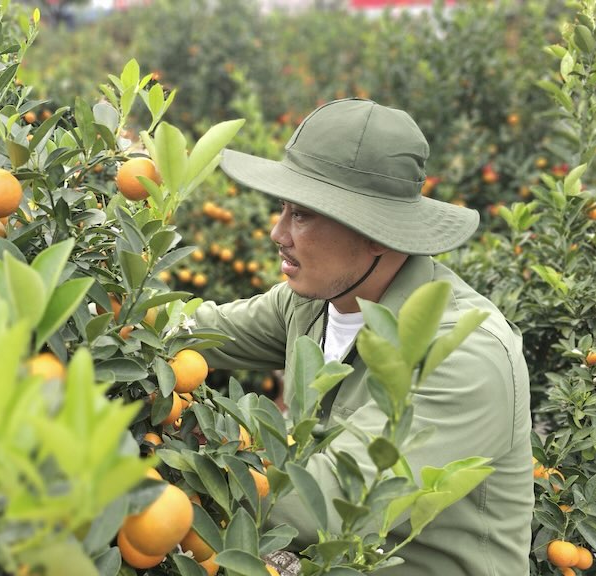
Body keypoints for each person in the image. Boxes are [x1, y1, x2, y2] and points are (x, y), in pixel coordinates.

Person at [193, 98, 533, 575]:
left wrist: (177, 468)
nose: (277, 233)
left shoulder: (463, 356)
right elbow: (198, 332)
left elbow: (327, 500)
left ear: (376, 233)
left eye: (303, 215)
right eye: (283, 209)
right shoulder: (311, 299)